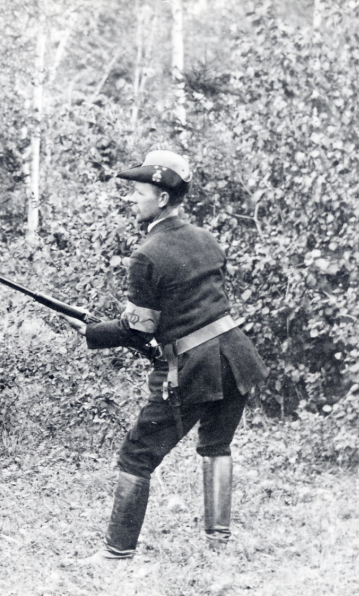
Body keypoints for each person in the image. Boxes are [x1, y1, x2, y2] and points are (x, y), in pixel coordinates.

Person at [61, 150, 268, 563]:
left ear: (160, 198)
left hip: (197, 367)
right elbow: (190, 311)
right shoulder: (206, 239)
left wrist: (92, 331)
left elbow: (139, 328)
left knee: (137, 455)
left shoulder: (146, 254)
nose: (130, 200)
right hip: (237, 356)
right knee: (216, 445)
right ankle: (218, 544)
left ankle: (116, 554)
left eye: (136, 192)